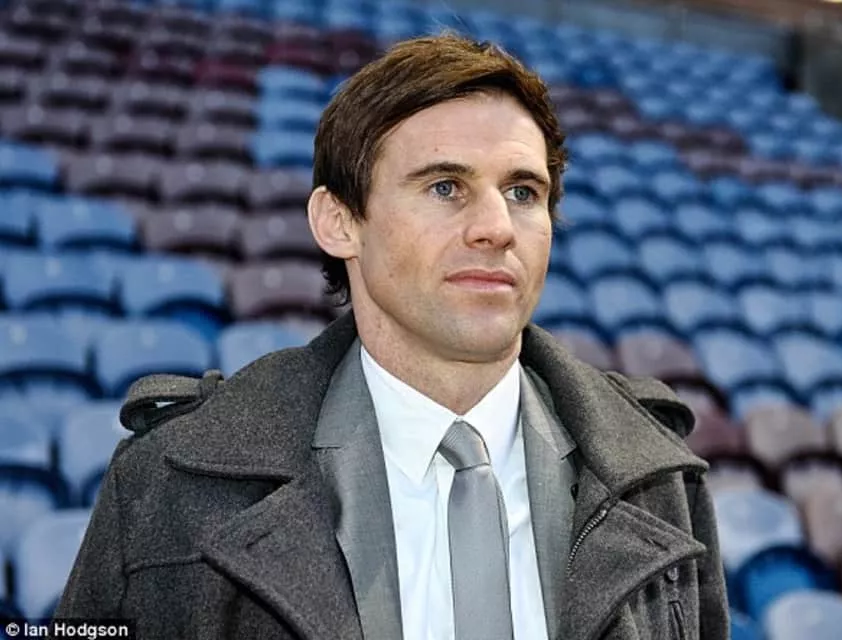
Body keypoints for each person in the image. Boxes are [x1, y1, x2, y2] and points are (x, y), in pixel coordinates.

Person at [56, 34, 728, 640]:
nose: (497, 228)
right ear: (339, 222)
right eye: (445, 187)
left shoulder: (660, 477)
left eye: (523, 192)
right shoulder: (168, 485)